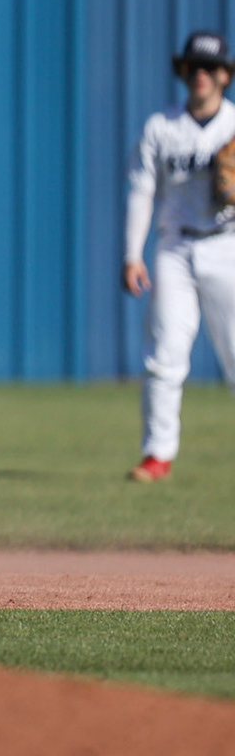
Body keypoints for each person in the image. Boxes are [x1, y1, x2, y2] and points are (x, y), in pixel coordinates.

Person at [123, 31, 235, 483]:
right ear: (184, 72)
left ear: (225, 75)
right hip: (174, 249)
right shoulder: (161, 127)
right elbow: (141, 192)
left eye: (210, 67)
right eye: (194, 66)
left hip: (227, 245)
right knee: (165, 356)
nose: (201, 74)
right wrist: (133, 254)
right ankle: (157, 456)